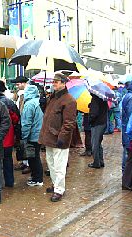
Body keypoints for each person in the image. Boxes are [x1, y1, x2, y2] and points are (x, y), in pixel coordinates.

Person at [38, 72, 77, 202]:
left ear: (63, 83)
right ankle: (55, 185)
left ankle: (59, 190)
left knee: (60, 166)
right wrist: (43, 103)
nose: (54, 83)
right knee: (51, 164)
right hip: (49, 137)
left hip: (59, 139)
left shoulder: (69, 100)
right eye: (53, 81)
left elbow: (69, 122)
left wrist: (62, 137)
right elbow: (48, 117)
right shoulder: (53, 98)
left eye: (57, 81)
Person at [0, 80, 20, 188]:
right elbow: (16, 118)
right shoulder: (9, 102)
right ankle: (9, 182)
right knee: (8, 160)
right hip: (7, 137)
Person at [21, 85, 44, 187]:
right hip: (40, 134)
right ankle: (36, 177)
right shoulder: (38, 102)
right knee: (36, 156)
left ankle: (37, 179)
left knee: (33, 158)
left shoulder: (29, 104)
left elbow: (26, 123)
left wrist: (24, 136)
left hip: (32, 135)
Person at [11, 76, 30, 174]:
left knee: (27, 144)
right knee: (21, 143)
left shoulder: (27, 94)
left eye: (18, 84)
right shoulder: (19, 94)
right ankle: (24, 161)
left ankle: (29, 164)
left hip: (25, 122)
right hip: (20, 122)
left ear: (23, 83)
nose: (17, 86)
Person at [88, 93, 108, 169]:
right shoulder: (103, 98)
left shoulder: (95, 99)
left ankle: (96, 163)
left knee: (95, 144)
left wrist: (90, 120)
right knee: (98, 143)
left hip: (97, 124)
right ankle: (101, 161)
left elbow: (94, 113)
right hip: (103, 122)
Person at [121, 79, 132, 173]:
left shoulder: (128, 95)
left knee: (127, 152)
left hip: (126, 128)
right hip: (128, 130)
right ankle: (126, 176)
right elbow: (131, 117)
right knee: (128, 153)